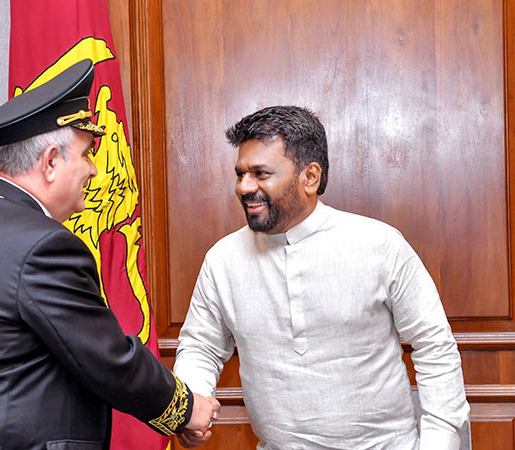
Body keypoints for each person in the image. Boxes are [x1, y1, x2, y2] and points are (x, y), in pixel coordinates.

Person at [0, 59, 217, 450]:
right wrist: (184, 409)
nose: (94, 170)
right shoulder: (42, 245)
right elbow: (109, 358)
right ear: (50, 162)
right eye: (86, 154)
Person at [174, 105, 470, 449]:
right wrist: (189, 407)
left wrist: (438, 443)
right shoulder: (222, 260)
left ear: (310, 177)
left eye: (260, 173)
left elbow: (435, 347)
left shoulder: (380, 245)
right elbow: (200, 346)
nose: (244, 187)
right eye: (240, 174)